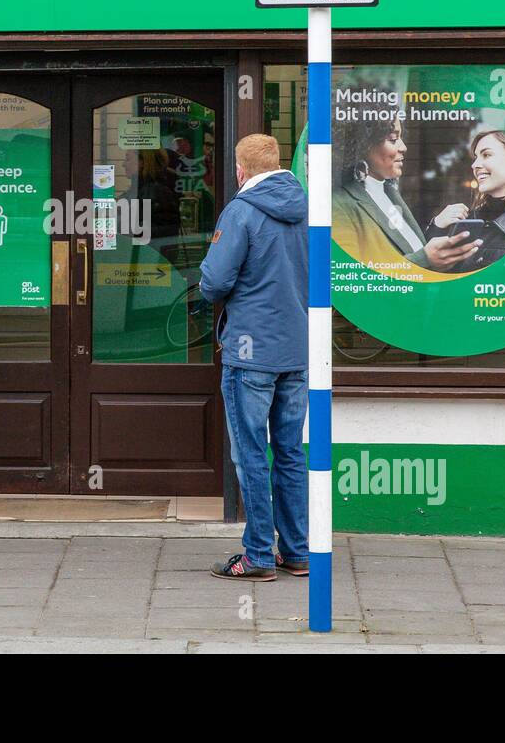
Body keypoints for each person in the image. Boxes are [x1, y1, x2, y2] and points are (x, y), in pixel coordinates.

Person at [199, 134, 308, 581]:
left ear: (241, 170)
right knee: (289, 453)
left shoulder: (241, 211)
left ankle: (259, 555)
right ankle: (298, 551)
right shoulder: (307, 209)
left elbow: (214, 281)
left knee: (251, 456)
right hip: (296, 351)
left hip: (251, 354)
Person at [331, 112, 480, 272]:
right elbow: (351, 279)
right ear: (363, 145)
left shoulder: (388, 191)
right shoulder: (338, 205)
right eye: (393, 139)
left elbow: (409, 250)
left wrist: (437, 226)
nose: (403, 147)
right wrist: (425, 259)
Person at [449, 128, 505, 272]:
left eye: (487, 155)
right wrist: (438, 227)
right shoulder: (472, 218)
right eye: (476, 157)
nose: (474, 165)